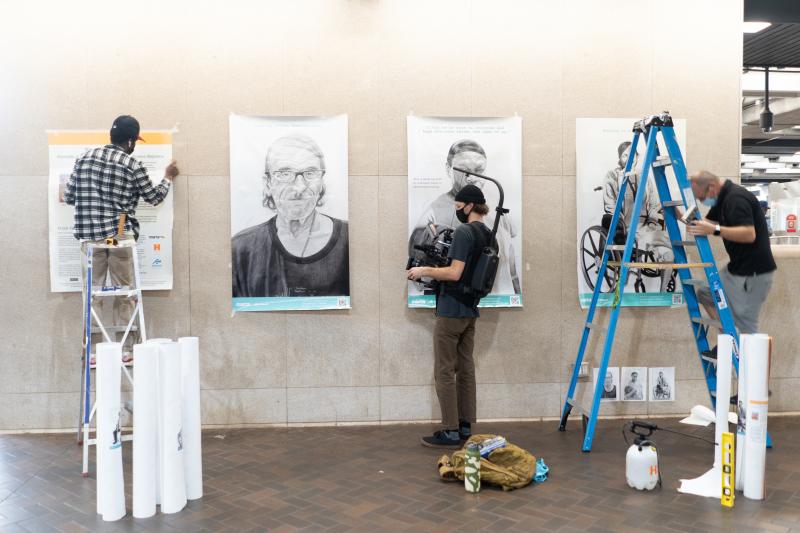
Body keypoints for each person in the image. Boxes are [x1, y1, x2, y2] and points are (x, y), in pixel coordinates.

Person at [64, 115, 179, 361]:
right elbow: (153, 197)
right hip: (117, 238)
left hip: (90, 241)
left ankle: (93, 351)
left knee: (92, 296)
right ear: (129, 141)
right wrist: (168, 177)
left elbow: (70, 197)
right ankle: (127, 350)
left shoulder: (83, 158)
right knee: (125, 294)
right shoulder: (131, 164)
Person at [407, 184, 492, 448]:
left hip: (451, 310)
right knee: (465, 368)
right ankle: (465, 424)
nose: (457, 212)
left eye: (458, 207)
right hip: (470, 310)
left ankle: (450, 430)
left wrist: (423, 270)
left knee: (444, 370)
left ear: (468, 206)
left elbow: (454, 273)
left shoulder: (465, 232)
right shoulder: (489, 234)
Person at [232, 134, 349, 298]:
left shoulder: (349, 239)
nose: (299, 187)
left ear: (321, 181)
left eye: (310, 173)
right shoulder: (242, 248)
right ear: (268, 183)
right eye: (285, 174)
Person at [409, 139, 521, 295]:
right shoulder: (432, 213)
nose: (472, 177)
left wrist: (516, 293)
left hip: (492, 298)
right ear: (449, 169)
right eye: (464, 170)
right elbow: (418, 272)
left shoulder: (498, 212)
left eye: (479, 170)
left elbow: (510, 261)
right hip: (458, 299)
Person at [687, 171, 776, 343]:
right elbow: (705, 224)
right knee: (705, 294)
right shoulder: (721, 200)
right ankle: (730, 340)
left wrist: (715, 230)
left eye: (702, 197)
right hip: (738, 267)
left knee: (745, 324)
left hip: (754, 271)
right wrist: (679, 215)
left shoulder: (736, 198)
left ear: (712, 186)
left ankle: (739, 351)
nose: (702, 201)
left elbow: (749, 234)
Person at [602, 141, 674, 292]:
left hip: (647, 226)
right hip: (626, 227)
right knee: (654, 239)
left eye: (632, 156)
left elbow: (654, 203)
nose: (629, 159)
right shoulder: (612, 176)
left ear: (637, 157)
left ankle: (662, 293)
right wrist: (621, 223)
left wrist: (653, 221)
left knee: (668, 255)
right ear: (619, 158)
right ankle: (658, 241)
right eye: (625, 156)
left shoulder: (644, 177)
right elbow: (610, 205)